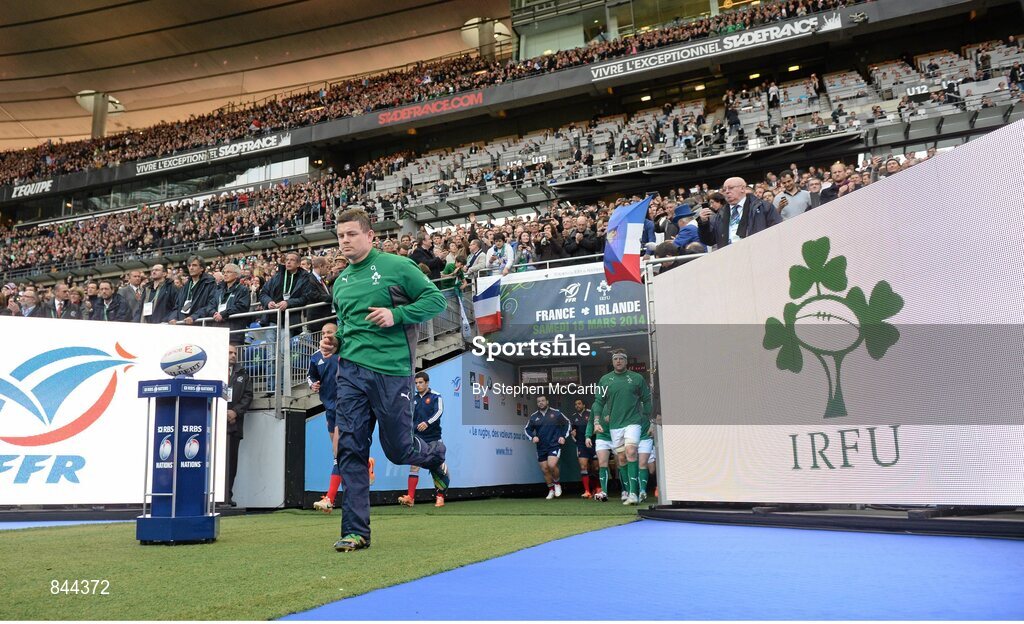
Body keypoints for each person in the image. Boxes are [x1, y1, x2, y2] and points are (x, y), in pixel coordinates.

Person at [331, 207, 449, 552]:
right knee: (350, 450)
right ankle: (356, 532)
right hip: (350, 372)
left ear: (370, 235)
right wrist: (335, 341)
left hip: (392, 372)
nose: (345, 241)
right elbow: (346, 325)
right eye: (340, 236)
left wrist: (396, 314)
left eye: (352, 234)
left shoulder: (398, 267)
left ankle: (436, 455)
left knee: (399, 451)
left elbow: (436, 300)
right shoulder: (340, 282)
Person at [311, 325, 376, 514]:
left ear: (337, 333)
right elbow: (311, 377)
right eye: (323, 333)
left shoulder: (346, 351)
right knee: (338, 452)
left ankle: (330, 498)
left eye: (330, 332)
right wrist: (313, 385)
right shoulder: (316, 357)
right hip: (330, 408)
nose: (326, 335)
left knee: (338, 452)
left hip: (347, 406)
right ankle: (367, 463)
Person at [589, 350, 651, 505]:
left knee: (631, 452)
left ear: (626, 361)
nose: (618, 361)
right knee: (621, 459)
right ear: (612, 361)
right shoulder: (605, 380)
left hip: (633, 422)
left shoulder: (637, 378)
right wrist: (596, 421)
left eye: (621, 359)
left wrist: (651, 421)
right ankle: (629, 491)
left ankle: (634, 494)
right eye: (615, 359)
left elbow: (647, 399)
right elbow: (598, 402)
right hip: (615, 426)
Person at [398, 372, 447, 508]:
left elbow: (439, 412)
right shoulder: (412, 399)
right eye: (416, 383)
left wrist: (427, 423)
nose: (418, 385)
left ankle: (440, 497)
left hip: (434, 438)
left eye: (420, 382)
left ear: (427, 383)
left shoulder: (436, 396)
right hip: (418, 438)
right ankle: (410, 498)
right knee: (414, 465)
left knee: (436, 468)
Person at [524, 394, 571, 500]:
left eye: (542, 400)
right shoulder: (534, 416)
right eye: (538, 401)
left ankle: (557, 484)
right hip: (541, 447)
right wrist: (533, 437)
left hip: (554, 445)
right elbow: (527, 429)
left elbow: (567, 423)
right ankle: (551, 490)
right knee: (545, 469)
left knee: (551, 465)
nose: (541, 403)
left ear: (547, 402)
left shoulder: (556, 413)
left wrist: (563, 436)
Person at [226, 345, 253, 507]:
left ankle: (227, 496)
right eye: (229, 353)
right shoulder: (212, 370)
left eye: (235, 353)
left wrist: (235, 412)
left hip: (234, 425)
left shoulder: (243, 373)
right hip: (214, 426)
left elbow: (248, 396)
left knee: (231, 463)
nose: (233, 355)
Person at [210, 263, 251, 343]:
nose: (225, 274)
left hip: (234, 333)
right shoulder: (218, 291)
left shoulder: (243, 290)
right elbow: (210, 305)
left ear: (236, 275)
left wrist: (223, 314)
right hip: (217, 331)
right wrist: (214, 313)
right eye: (224, 272)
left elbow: (241, 306)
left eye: (228, 272)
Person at [170, 256, 216, 325]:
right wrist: (173, 317)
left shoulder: (210, 283)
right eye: (189, 265)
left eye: (194, 265)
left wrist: (194, 316)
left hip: (200, 324)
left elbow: (210, 305)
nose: (191, 268)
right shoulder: (185, 286)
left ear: (201, 268)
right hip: (184, 324)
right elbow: (177, 306)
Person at [569, 398, 600, 499]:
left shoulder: (591, 413)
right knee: (583, 467)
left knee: (596, 468)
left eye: (579, 403)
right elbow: (572, 432)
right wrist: (573, 435)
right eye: (575, 404)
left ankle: (598, 488)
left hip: (593, 443)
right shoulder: (573, 417)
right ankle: (587, 491)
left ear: (584, 405)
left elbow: (598, 427)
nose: (577, 405)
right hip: (581, 445)